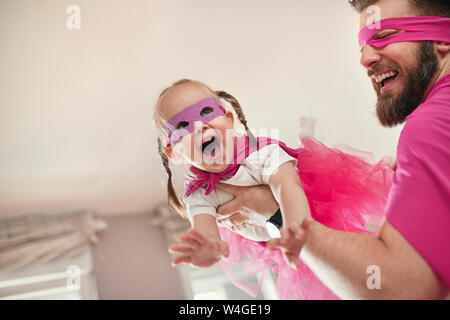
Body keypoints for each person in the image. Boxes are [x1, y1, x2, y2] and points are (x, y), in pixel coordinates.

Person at [220, 0, 450, 299]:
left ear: (442, 39)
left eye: (382, 37)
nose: (365, 59)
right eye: (362, 46)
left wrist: (278, 213)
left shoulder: (432, 122)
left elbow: (403, 290)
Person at [153, 79, 393, 299]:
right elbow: (205, 229)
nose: (200, 126)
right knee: (326, 285)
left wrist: (296, 229)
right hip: (277, 241)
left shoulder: (260, 154)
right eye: (183, 126)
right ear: (174, 152)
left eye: (206, 112)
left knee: (359, 268)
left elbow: (287, 185)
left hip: (310, 214)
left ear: (228, 118)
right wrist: (209, 248)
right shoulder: (197, 191)